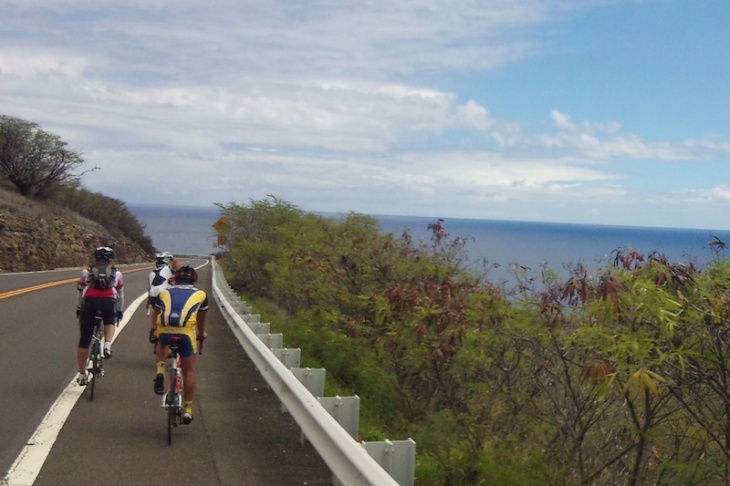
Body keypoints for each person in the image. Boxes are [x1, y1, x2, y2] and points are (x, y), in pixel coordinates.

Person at [153, 265, 208, 424]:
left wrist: (156, 330)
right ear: (194, 281)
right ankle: (188, 410)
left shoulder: (165, 292)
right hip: (185, 332)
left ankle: (160, 370)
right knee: (189, 371)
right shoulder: (201, 294)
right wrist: (201, 334)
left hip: (164, 328)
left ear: (175, 279)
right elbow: (201, 321)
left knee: (161, 343)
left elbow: (158, 311)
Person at [76, 246, 125, 385]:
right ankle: (107, 345)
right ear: (111, 259)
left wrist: (79, 308)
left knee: (84, 340)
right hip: (108, 302)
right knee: (110, 321)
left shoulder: (86, 272)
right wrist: (120, 311)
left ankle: (82, 375)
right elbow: (120, 295)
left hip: (90, 303)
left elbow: (79, 293)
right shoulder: (117, 274)